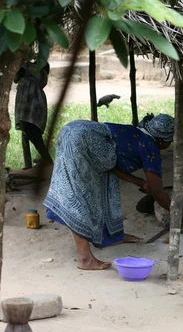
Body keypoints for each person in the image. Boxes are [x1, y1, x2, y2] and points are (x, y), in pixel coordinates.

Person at [43, 113, 174, 271]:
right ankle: (84, 258)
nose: (171, 144)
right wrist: (176, 213)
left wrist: (139, 182)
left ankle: (112, 236)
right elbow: (157, 191)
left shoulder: (134, 133)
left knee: (106, 185)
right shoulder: (150, 147)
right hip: (80, 141)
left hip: (73, 129)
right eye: (170, 141)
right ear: (162, 140)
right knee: (77, 194)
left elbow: (113, 167)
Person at [13, 61, 52, 167]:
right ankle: (42, 161)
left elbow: (17, 77)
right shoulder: (26, 66)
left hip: (32, 105)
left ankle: (48, 161)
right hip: (28, 104)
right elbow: (16, 78)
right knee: (30, 133)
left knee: (32, 133)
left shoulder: (31, 67)